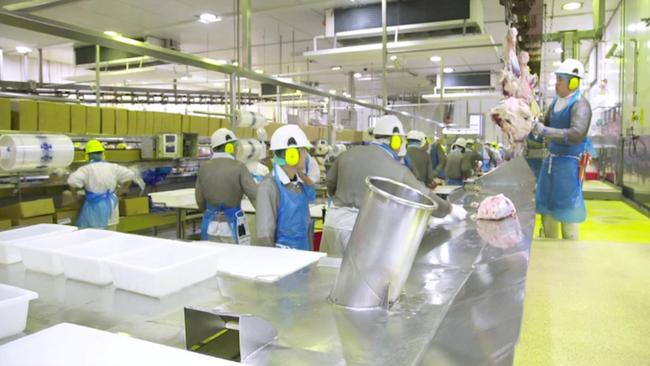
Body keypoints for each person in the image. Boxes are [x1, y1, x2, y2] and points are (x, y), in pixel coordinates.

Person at [322, 115, 465, 257]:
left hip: (333, 225)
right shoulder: (397, 169)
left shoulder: (346, 155)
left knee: (328, 273)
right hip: (364, 229)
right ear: (396, 141)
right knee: (361, 278)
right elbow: (424, 196)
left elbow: (330, 184)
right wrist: (449, 208)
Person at [532, 58, 592, 240]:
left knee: (567, 209)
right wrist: (532, 126)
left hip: (568, 165)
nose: (556, 83)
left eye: (560, 79)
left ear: (573, 82)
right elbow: (545, 123)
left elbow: (577, 133)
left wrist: (546, 131)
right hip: (551, 163)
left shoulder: (580, 104)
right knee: (548, 207)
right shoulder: (555, 103)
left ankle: (569, 250)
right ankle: (549, 245)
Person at [256, 125, 315, 250]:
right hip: (282, 261)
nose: (307, 156)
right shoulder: (269, 187)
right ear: (292, 154)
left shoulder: (298, 184)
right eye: (304, 151)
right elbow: (265, 235)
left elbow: (312, 194)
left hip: (303, 254)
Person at [196, 128, 258, 244]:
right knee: (236, 259)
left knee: (213, 258)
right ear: (229, 147)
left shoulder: (204, 168)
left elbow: (199, 200)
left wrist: (211, 212)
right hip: (234, 227)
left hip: (210, 226)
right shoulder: (239, 167)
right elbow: (255, 196)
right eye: (234, 146)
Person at [68, 139, 136, 230]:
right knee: (111, 236)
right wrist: (120, 191)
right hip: (111, 206)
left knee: (95, 237)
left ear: (87, 155)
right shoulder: (113, 167)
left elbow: (72, 183)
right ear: (102, 154)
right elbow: (130, 175)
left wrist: (75, 197)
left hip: (94, 210)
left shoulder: (86, 169)